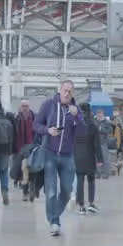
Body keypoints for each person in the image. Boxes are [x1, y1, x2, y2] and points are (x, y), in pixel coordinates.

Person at [33, 80, 83, 237]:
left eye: (70, 91)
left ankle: (54, 215)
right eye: (65, 90)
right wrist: (48, 130)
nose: (67, 94)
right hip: (50, 154)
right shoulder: (49, 104)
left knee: (67, 191)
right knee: (52, 191)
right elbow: (36, 124)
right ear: (60, 90)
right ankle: (54, 221)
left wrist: (76, 118)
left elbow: (82, 132)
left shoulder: (76, 109)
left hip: (68, 156)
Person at [74, 102, 103, 214]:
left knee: (80, 181)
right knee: (91, 180)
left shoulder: (75, 124)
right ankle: (91, 203)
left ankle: (81, 206)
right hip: (90, 156)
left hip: (77, 156)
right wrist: (100, 159)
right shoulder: (93, 125)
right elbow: (97, 144)